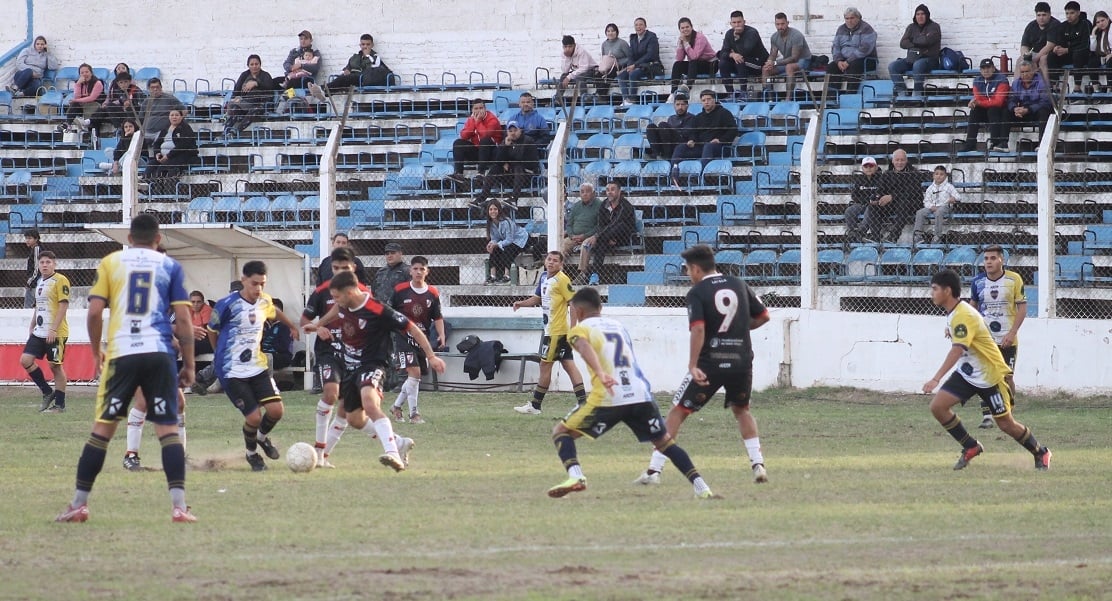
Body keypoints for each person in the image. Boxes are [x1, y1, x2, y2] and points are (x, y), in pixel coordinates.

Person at [55, 214, 196, 523]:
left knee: (102, 431)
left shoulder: (111, 263)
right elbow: (184, 320)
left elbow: (94, 313)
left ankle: (79, 505)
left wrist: (96, 351)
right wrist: (189, 364)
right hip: (159, 353)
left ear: (129, 239)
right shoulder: (170, 266)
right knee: (168, 430)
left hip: (122, 354)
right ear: (158, 239)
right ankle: (179, 507)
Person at [546, 287, 718, 500]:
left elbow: (583, 346)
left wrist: (600, 372)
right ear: (601, 307)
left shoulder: (579, 330)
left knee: (561, 432)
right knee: (665, 443)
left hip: (609, 396)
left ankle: (576, 476)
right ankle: (702, 488)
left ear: (578, 310)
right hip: (640, 394)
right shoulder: (619, 326)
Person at [636, 244, 771, 486]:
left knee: (678, 410)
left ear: (696, 269)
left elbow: (698, 328)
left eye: (688, 270)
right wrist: (740, 329)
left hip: (710, 363)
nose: (689, 275)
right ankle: (758, 464)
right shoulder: (739, 284)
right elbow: (763, 316)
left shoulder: (697, 292)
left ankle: (654, 471)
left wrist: (692, 364)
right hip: (741, 360)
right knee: (742, 410)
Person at [305, 271, 443, 471]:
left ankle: (392, 454)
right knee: (354, 419)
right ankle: (399, 443)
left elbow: (412, 328)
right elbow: (336, 310)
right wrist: (318, 324)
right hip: (350, 367)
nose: (335, 301)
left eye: (337, 296)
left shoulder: (377, 310)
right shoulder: (343, 304)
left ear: (350, 292)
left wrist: (431, 356)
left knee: (369, 402)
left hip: (373, 364)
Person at [921, 269, 1051, 471]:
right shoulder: (955, 312)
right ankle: (970, 446)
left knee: (1006, 424)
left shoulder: (963, 315)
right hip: (967, 374)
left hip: (990, 375)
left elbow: (957, 350)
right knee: (938, 407)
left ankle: (1041, 452)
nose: (932, 293)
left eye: (935, 289)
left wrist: (936, 379)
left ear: (947, 291)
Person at [207, 261, 300, 472]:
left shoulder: (264, 300)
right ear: (244, 280)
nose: (258, 288)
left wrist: (291, 326)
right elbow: (212, 330)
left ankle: (261, 438)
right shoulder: (226, 304)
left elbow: (274, 311)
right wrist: (218, 354)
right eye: (254, 283)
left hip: (257, 366)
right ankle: (251, 455)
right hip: (231, 370)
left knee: (276, 411)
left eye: (262, 284)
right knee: (254, 416)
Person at [301, 246, 363, 468]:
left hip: (353, 353)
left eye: (344, 268)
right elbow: (304, 321)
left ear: (353, 268)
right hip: (328, 351)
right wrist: (318, 328)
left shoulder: (363, 293)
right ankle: (318, 449)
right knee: (330, 393)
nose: (339, 272)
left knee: (346, 410)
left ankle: (323, 457)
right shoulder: (321, 292)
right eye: (335, 268)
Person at [512, 251, 587, 414]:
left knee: (545, 365)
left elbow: (573, 303)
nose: (551, 262)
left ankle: (535, 406)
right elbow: (537, 298)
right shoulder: (544, 277)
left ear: (561, 264)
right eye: (549, 259)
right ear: (545, 261)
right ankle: (584, 403)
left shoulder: (562, 279)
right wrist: (521, 304)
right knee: (568, 364)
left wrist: (573, 328)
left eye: (555, 260)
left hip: (556, 332)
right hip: (552, 330)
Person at [969, 245, 1028, 429]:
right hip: (985, 339)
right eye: (986, 258)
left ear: (1002, 260)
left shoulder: (1014, 279)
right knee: (985, 377)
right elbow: (971, 309)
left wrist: (1012, 333)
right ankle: (987, 416)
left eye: (993, 258)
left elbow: (1022, 308)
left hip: (1007, 338)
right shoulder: (977, 282)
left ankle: (1008, 412)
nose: (988, 262)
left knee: (1007, 377)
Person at [389, 256, 447, 424]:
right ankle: (414, 414)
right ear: (410, 271)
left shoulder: (432, 293)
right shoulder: (400, 290)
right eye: (415, 268)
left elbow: (437, 316)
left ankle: (396, 406)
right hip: (403, 337)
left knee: (415, 378)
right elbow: (389, 312)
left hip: (422, 339)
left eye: (422, 269)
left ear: (427, 271)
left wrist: (441, 334)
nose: (418, 272)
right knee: (414, 373)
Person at [22, 250, 70, 413]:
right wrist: (32, 325)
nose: (44, 265)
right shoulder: (40, 281)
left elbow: (63, 305)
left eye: (48, 262)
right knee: (25, 360)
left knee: (55, 366)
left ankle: (60, 405)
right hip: (39, 331)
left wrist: (53, 329)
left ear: (54, 264)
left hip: (56, 332)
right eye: (42, 262)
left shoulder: (61, 280)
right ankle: (47, 392)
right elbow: (39, 306)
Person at [580, 181, 636, 285]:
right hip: (606, 238)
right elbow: (600, 224)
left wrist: (596, 236)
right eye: (607, 190)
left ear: (619, 191)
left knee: (619, 225)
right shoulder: (604, 205)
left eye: (612, 189)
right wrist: (602, 237)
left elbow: (615, 223)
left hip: (623, 238)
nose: (609, 192)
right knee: (602, 243)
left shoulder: (626, 206)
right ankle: (595, 275)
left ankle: (594, 274)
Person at [863, 148, 925, 243]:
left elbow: (912, 192)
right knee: (873, 207)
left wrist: (892, 196)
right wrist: (877, 198)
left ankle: (893, 237)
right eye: (897, 160)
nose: (899, 163)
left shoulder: (913, 173)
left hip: (911, 204)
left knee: (904, 203)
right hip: (893, 205)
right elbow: (880, 189)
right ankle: (876, 237)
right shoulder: (887, 174)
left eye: (902, 160)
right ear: (892, 161)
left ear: (906, 161)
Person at [671, 90, 739, 174]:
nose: (706, 102)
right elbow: (694, 132)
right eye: (703, 100)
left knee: (708, 146)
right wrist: (692, 140)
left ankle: (701, 176)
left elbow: (733, 130)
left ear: (714, 100)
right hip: (701, 148)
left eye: (709, 99)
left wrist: (720, 140)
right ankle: (673, 174)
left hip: (720, 147)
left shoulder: (724, 113)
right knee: (680, 147)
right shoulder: (698, 117)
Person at [473, 122, 538, 208]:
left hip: (526, 176)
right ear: (507, 132)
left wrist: (509, 163)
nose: (513, 133)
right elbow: (498, 161)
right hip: (510, 177)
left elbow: (530, 162)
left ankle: (514, 199)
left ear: (520, 131)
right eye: (510, 131)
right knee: (496, 168)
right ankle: (481, 198)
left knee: (518, 168)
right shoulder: (506, 142)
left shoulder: (528, 141)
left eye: (515, 130)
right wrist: (505, 147)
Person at [310, 34, 392, 95]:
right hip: (352, 78)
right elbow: (347, 67)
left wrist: (368, 56)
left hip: (362, 80)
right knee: (341, 79)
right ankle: (324, 92)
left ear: (372, 45)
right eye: (363, 44)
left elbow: (373, 72)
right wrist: (346, 71)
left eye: (368, 44)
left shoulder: (375, 58)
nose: (365, 47)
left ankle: (322, 89)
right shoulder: (354, 57)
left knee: (342, 80)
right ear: (360, 45)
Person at [888, 4, 941, 96]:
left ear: (927, 15)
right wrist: (918, 41)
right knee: (893, 66)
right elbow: (903, 43)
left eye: (922, 14)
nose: (920, 17)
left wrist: (912, 40)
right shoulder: (911, 27)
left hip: (929, 59)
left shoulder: (934, 27)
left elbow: (927, 41)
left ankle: (917, 93)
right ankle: (901, 92)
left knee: (918, 64)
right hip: (911, 59)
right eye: (918, 14)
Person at [961, 58, 1012, 152]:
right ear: (980, 70)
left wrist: (981, 102)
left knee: (993, 109)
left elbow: (999, 102)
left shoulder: (1002, 79)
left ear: (993, 68)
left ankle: (995, 142)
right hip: (987, 110)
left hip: (1001, 112)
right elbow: (978, 99)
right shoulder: (977, 81)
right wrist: (977, 103)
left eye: (988, 67)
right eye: (983, 68)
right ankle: (970, 143)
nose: (986, 70)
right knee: (974, 110)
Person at [717, 10, 769, 102]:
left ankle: (743, 93)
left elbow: (744, 51)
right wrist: (732, 54)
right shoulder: (729, 33)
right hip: (741, 65)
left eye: (739, 22)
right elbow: (722, 53)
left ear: (744, 22)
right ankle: (730, 94)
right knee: (723, 63)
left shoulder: (752, 32)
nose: (737, 25)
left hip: (757, 64)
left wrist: (737, 38)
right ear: (730, 23)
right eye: (734, 22)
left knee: (740, 60)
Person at [450, 99, 502, 184]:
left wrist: (478, 122)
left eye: (481, 108)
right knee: (458, 143)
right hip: (478, 152)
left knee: (485, 140)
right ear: (472, 110)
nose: (478, 111)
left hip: (492, 152)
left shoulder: (492, 119)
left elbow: (486, 135)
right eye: (476, 108)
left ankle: (481, 173)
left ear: (485, 109)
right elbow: (464, 136)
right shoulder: (471, 119)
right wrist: (473, 122)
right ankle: (459, 174)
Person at [223, 54, 276, 137]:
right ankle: (225, 133)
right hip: (246, 102)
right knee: (234, 108)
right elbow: (236, 91)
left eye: (256, 64)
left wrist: (256, 83)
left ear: (260, 64)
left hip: (261, 104)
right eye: (252, 64)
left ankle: (236, 131)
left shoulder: (266, 75)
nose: (254, 66)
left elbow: (269, 87)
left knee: (255, 110)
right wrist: (234, 99)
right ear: (248, 65)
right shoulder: (244, 75)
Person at [1044, 1, 1092, 91]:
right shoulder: (1063, 26)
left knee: (1078, 54)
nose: (1069, 16)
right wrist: (1057, 48)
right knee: (1051, 56)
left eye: (1072, 13)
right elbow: (1060, 41)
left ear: (1078, 13)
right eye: (1067, 13)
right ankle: (1055, 86)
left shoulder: (1085, 24)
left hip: (1082, 54)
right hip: (1068, 54)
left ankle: (1077, 87)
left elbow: (1085, 45)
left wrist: (1068, 50)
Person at [828, 7, 878, 93]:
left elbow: (865, 49)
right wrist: (838, 61)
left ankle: (851, 94)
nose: (849, 21)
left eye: (852, 18)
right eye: (847, 18)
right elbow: (835, 47)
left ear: (858, 18)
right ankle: (832, 96)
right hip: (844, 60)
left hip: (865, 60)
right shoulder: (841, 29)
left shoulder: (866, 29)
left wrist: (848, 61)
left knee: (854, 66)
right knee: (831, 67)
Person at [80, 72, 146, 137]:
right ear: (118, 84)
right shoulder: (121, 91)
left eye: (126, 82)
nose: (123, 84)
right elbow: (120, 101)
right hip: (122, 113)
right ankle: (90, 125)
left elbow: (142, 106)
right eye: (121, 83)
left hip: (133, 115)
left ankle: (119, 128)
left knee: (110, 106)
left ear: (129, 82)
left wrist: (131, 105)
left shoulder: (136, 91)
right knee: (102, 113)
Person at [144, 109, 198, 188]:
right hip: (164, 157)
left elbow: (182, 145)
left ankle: (159, 189)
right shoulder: (165, 129)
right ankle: (146, 186)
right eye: (172, 115)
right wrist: (157, 153)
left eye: (176, 115)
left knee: (161, 169)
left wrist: (168, 156)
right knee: (151, 165)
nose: (174, 117)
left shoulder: (185, 128)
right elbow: (157, 143)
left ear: (181, 117)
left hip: (180, 157)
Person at [762, 13, 813, 95]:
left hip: (803, 60)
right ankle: (768, 97)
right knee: (765, 69)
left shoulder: (796, 35)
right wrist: (769, 63)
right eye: (778, 24)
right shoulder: (774, 37)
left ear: (787, 23)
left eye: (782, 24)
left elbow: (794, 58)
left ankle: (788, 98)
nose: (780, 27)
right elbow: (773, 54)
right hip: (787, 61)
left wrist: (775, 63)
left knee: (789, 67)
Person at [617, 17, 662, 106]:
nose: (638, 27)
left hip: (650, 66)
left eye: (641, 24)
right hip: (636, 66)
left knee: (633, 74)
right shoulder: (633, 38)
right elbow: (631, 55)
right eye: (636, 25)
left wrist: (635, 65)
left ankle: (632, 99)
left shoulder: (651, 37)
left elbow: (650, 55)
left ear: (645, 26)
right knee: (621, 75)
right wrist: (629, 66)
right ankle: (626, 99)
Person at [484, 200, 529, 284]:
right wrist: (491, 244)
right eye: (490, 209)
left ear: (499, 210)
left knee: (508, 250)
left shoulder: (506, 222)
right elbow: (495, 238)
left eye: (495, 209)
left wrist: (497, 244)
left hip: (520, 240)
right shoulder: (491, 223)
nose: (493, 211)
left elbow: (509, 240)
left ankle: (507, 276)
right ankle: (492, 276)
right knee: (494, 250)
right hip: (506, 240)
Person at [913, 165, 961, 244]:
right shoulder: (930, 188)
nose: (939, 176)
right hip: (932, 207)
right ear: (933, 175)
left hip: (944, 206)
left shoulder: (949, 187)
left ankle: (937, 236)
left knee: (939, 212)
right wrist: (931, 206)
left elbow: (958, 196)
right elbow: (926, 201)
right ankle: (918, 235)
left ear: (945, 176)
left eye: (941, 174)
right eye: (937, 174)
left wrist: (953, 198)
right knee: (920, 212)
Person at [669, 17, 717, 97]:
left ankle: (687, 88)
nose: (685, 29)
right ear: (679, 30)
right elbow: (680, 59)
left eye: (687, 27)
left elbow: (695, 56)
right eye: (682, 28)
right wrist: (680, 44)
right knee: (677, 64)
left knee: (693, 61)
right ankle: (673, 93)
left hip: (710, 65)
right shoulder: (683, 39)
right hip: (695, 66)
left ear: (691, 27)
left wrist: (685, 43)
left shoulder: (700, 37)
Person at [562, 183, 602, 277]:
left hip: (590, 237)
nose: (585, 194)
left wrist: (585, 236)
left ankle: (582, 274)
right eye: (582, 192)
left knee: (586, 245)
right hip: (574, 237)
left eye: (587, 191)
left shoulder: (599, 205)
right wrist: (572, 235)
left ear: (593, 193)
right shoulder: (576, 206)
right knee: (562, 245)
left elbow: (600, 225)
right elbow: (569, 224)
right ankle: (558, 272)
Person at [1009, 59, 1054, 136]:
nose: (1025, 74)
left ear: (1033, 71)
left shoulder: (1042, 82)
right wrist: (1015, 108)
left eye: (1027, 71)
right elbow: (1011, 99)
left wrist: (1028, 109)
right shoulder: (1016, 83)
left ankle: (1042, 141)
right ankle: (1002, 142)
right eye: (1022, 72)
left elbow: (1045, 102)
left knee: (1043, 111)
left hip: (1036, 111)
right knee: (1005, 112)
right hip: (1022, 112)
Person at [644, 92, 695, 159]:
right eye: (678, 104)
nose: (680, 107)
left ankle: (667, 156)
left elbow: (688, 133)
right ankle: (657, 154)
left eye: (682, 104)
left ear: (687, 106)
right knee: (651, 127)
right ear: (674, 106)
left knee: (663, 125)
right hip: (668, 142)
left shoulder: (692, 118)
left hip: (682, 143)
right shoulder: (671, 118)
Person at [554, 35, 601, 106]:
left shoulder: (581, 51)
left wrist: (569, 77)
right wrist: (567, 58)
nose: (568, 49)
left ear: (574, 45)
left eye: (570, 46)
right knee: (563, 76)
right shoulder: (565, 54)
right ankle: (558, 100)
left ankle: (585, 98)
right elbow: (565, 71)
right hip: (578, 71)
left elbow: (584, 68)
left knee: (580, 77)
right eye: (565, 47)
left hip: (591, 70)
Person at [844, 156, 882, 241]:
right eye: (866, 166)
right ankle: (853, 233)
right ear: (862, 168)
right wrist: (866, 200)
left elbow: (882, 193)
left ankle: (861, 232)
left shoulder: (881, 178)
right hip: (863, 203)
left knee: (870, 209)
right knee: (849, 211)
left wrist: (874, 200)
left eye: (871, 166)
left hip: (876, 205)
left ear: (876, 167)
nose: (868, 168)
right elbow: (854, 195)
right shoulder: (859, 179)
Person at [1023, 2, 1062, 83]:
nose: (1041, 18)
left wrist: (1034, 60)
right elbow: (1024, 46)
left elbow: (1050, 46)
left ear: (1049, 14)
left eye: (1044, 15)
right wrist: (1026, 58)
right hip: (1035, 53)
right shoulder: (1031, 25)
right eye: (1039, 15)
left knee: (1043, 59)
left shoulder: (1054, 24)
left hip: (1052, 53)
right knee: (1019, 61)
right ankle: (1017, 87)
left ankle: (1045, 87)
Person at [139, 78, 185, 146]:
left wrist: (176, 124)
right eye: (152, 87)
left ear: (161, 87)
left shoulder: (169, 98)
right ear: (148, 89)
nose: (155, 89)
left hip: (163, 133)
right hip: (147, 132)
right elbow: (141, 118)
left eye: (157, 87)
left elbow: (184, 110)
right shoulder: (146, 101)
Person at [60, 64, 105, 133]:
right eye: (82, 73)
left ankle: (91, 129)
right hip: (83, 104)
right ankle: (68, 124)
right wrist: (78, 84)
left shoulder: (98, 83)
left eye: (87, 72)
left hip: (95, 103)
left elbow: (92, 98)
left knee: (90, 106)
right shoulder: (79, 83)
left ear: (91, 73)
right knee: (74, 104)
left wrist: (76, 100)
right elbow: (77, 97)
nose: (84, 74)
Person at [506, 91, 551, 160]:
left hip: (533, 150)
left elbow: (546, 138)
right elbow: (506, 135)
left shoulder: (540, 119)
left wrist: (532, 145)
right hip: (515, 148)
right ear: (519, 104)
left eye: (528, 102)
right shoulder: (513, 118)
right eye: (523, 102)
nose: (525, 104)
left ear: (532, 103)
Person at [597, 23, 632, 97]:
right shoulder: (604, 44)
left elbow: (630, 57)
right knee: (598, 74)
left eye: (613, 31)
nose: (610, 33)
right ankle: (600, 95)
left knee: (610, 74)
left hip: (620, 66)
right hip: (608, 65)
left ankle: (600, 95)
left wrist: (618, 62)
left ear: (617, 32)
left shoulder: (622, 43)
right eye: (608, 31)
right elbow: (604, 57)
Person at [262, 298, 294, 372]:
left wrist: (270, 349)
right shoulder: (262, 324)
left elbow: (284, 346)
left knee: (266, 359)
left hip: (280, 356)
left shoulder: (286, 326)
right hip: (263, 354)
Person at [23, 228, 43, 309]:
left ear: (36, 239)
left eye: (30, 238)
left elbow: (37, 268)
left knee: (28, 307)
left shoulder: (36, 249)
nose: (27, 240)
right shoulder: (33, 249)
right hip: (34, 281)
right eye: (26, 238)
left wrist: (30, 281)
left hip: (35, 282)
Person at [1089, 10, 1111, 78]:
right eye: (1098, 22)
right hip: (1103, 56)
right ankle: (1095, 84)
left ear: (1108, 19)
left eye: (1102, 20)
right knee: (1091, 63)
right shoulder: (1100, 32)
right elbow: (1093, 49)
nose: (1101, 23)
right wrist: (1093, 33)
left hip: (1110, 56)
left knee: (1110, 62)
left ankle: (1109, 84)